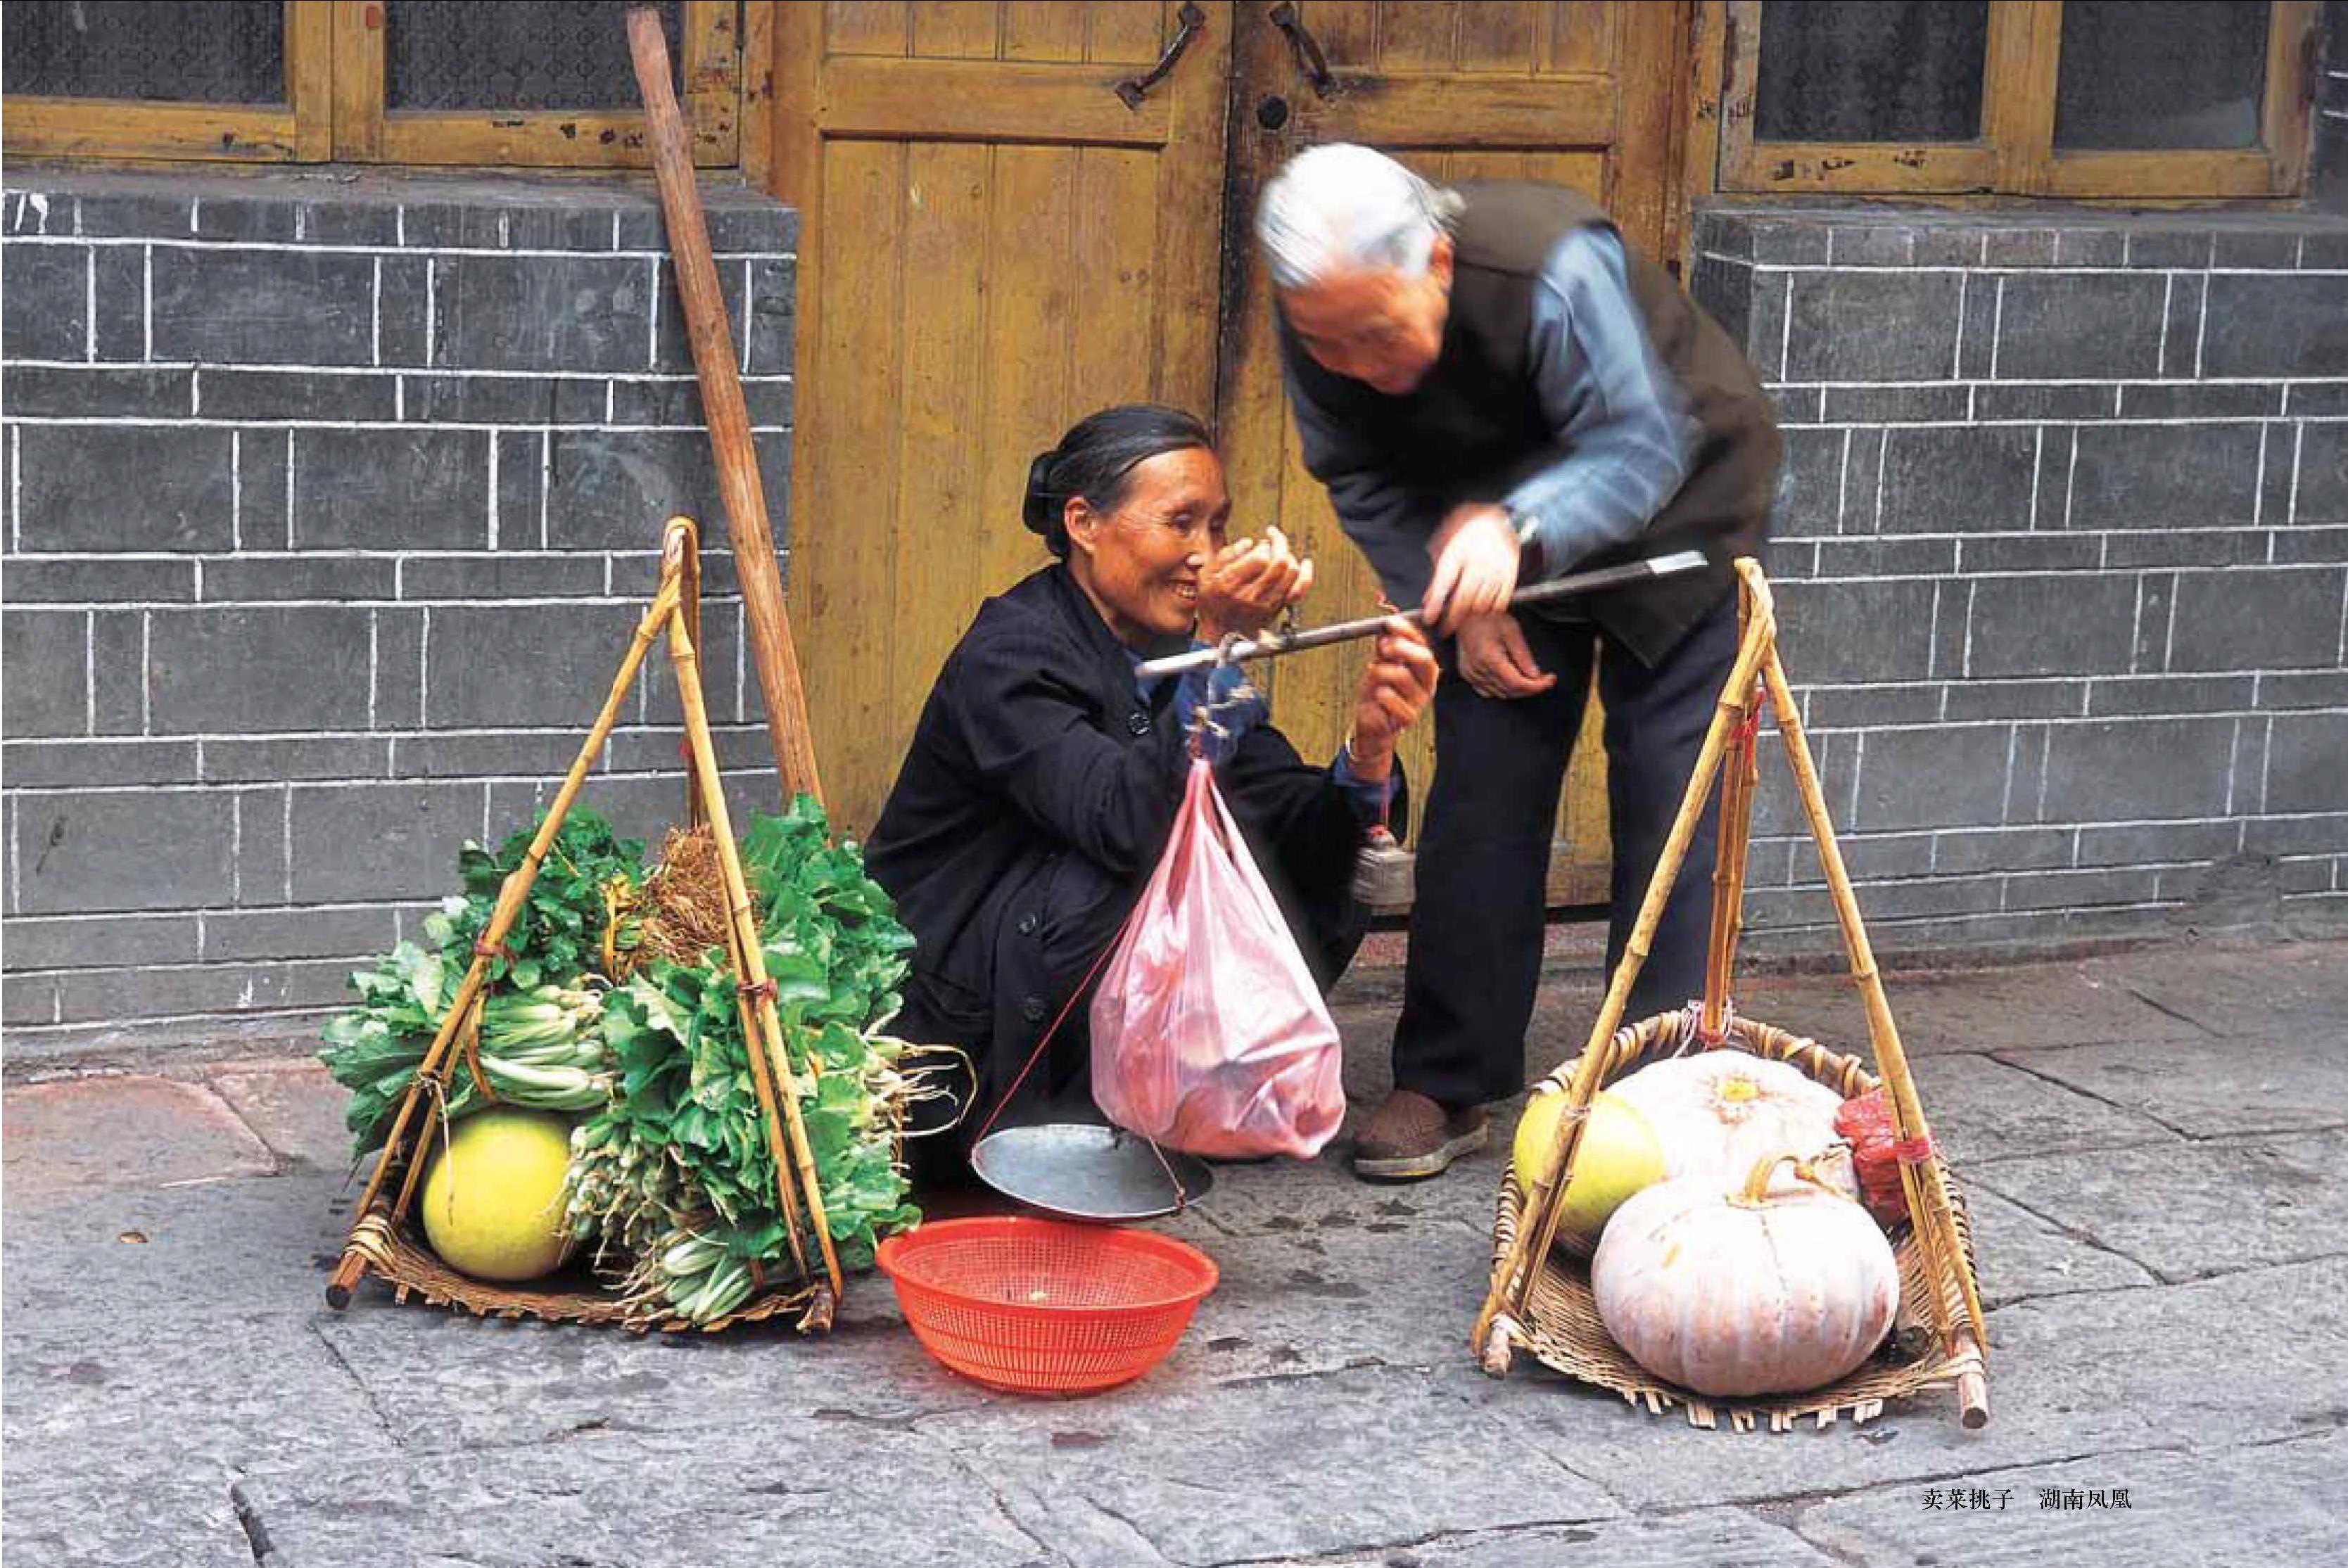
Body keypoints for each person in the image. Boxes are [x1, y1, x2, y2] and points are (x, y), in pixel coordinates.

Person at [1255, 144, 1783, 1181]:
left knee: (1672, 796)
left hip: (1678, 512)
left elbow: (1637, 447)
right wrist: (1445, 601)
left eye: (1376, 333)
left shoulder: (1550, 267)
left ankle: (1659, 1082)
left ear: (1438, 267)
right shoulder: (1311, 307)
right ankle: (1449, 1077)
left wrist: (1515, 533)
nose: (1354, 364)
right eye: (1330, 343)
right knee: (1484, 790)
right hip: (1485, 539)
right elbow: (1356, 473)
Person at [864, 404, 1439, 1182]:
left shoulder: (1171, 646)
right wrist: (1215, 650)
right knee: (1143, 861)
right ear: (1084, 523)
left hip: (1049, 960)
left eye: (1216, 527)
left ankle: (1191, 1093)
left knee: (1266, 848)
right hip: (960, 1011)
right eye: (1180, 523)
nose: (1204, 555)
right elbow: (1125, 822)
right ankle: (1050, 1118)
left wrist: (1368, 752)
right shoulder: (1011, 653)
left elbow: (1281, 816)